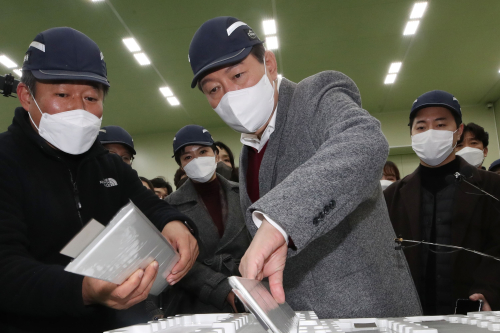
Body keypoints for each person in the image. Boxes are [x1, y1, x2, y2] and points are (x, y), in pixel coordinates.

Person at [187, 16, 421, 318]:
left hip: (369, 311)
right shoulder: (247, 154)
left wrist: (279, 223)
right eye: (214, 90)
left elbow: (365, 142)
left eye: (237, 75)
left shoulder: (315, 96)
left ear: (269, 64)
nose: (229, 96)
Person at [0, 27, 198, 333]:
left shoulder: (107, 164)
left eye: (91, 97)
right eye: (62, 95)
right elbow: (6, 268)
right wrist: (85, 289)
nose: (79, 110)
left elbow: (149, 205)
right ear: (27, 97)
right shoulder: (6, 160)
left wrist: (175, 224)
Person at [384, 90, 500, 315]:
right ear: (412, 134)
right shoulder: (393, 196)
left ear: (459, 132)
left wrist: (490, 292)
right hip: (412, 318)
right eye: (421, 127)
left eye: (440, 125)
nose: (430, 133)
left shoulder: (491, 187)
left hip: (474, 313)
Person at [163, 125, 251, 315]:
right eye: (188, 157)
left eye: (203, 152)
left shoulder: (244, 193)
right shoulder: (169, 207)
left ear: (216, 154)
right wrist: (222, 290)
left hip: (248, 292)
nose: (197, 160)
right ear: (181, 165)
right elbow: (175, 261)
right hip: (196, 303)